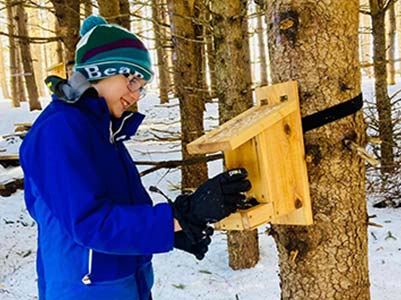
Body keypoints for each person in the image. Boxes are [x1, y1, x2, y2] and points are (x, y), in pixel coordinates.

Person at [20, 15, 251, 300]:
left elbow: (122, 210)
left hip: (125, 286)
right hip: (84, 291)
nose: (135, 94)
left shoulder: (103, 132)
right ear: (98, 71)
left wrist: (174, 230)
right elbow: (92, 224)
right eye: (130, 80)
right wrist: (180, 217)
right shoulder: (59, 131)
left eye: (141, 86)